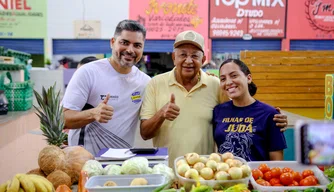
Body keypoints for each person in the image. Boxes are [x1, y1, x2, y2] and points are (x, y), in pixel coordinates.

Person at [139, 30, 288, 166]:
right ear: (173, 57)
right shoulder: (155, 84)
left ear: (203, 59)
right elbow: (145, 134)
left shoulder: (215, 84)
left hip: (206, 175)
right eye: (183, 54)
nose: (189, 60)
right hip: (167, 172)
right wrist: (161, 114)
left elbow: (239, 111)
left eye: (195, 56)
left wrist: (271, 118)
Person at [62, 20, 151, 155]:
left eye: (137, 45)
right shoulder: (88, 73)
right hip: (82, 160)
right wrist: (92, 114)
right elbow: (62, 119)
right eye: (124, 43)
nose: (130, 50)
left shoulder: (145, 82)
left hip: (121, 162)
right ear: (112, 42)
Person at [213, 59, 287, 161]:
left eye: (234, 75)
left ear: (248, 78)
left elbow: (276, 162)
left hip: (257, 176)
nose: (228, 82)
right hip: (226, 176)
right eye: (223, 79)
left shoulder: (269, 114)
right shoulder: (218, 111)